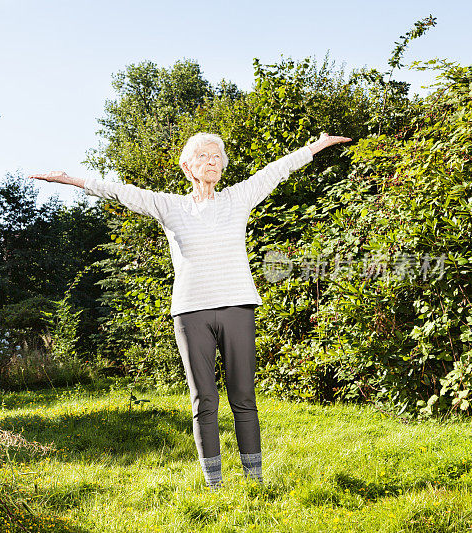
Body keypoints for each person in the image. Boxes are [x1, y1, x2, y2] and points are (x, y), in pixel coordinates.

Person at [29, 132, 352, 489]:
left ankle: (255, 481)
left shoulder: (238, 198)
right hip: (191, 311)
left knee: (244, 396)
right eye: (203, 155)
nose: (212, 160)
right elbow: (121, 191)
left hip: (237, 306)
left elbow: (276, 170)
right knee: (204, 401)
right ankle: (214, 484)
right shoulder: (169, 206)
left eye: (217, 156)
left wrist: (317, 145)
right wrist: (68, 179)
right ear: (188, 166)